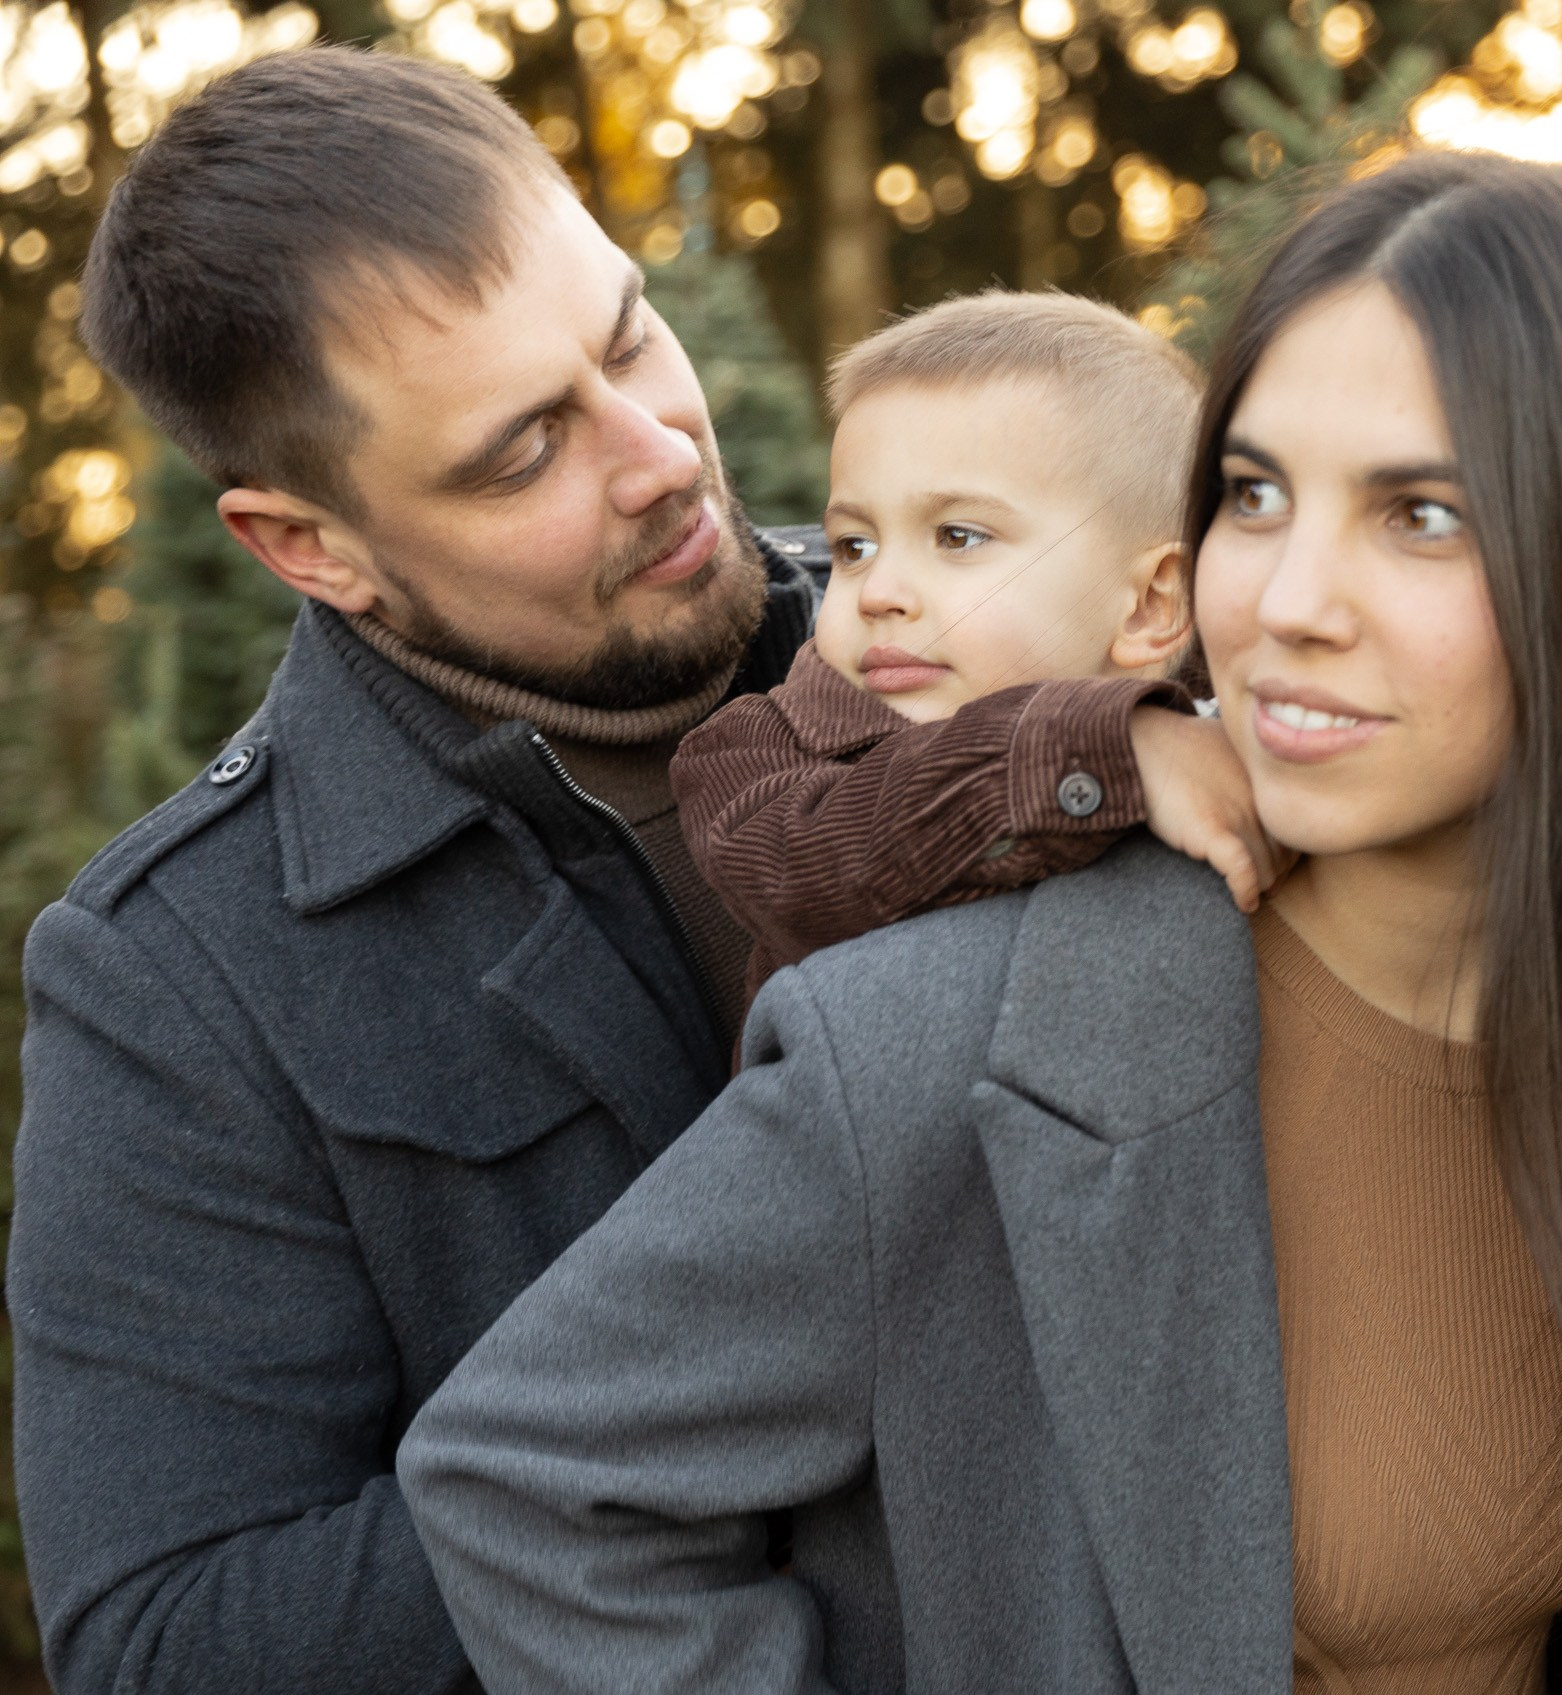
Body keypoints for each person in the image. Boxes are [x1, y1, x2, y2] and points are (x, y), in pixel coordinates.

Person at [397, 152, 1562, 1695]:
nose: (1290, 596)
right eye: (1255, 492)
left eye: (1421, 512)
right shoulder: (939, 1043)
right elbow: (530, 1486)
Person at [5, 47, 1225, 1695]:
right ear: (311, 546)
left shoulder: (998, 631)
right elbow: (173, 1641)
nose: (654, 450)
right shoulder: (184, 973)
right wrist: (741, 1431)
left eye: (628, 333)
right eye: (522, 451)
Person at [674, 289, 1281, 1010]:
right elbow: (805, 874)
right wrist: (1104, 753)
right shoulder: (758, 760)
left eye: (957, 536)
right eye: (854, 546)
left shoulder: (1244, 737)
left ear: (1152, 604)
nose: (879, 591)